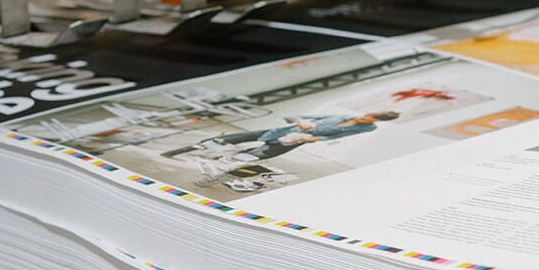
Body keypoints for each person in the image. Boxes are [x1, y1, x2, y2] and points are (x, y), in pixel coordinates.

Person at [162, 111, 401, 163]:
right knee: (233, 138)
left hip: (295, 140)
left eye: (369, 120)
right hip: (285, 131)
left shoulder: (368, 129)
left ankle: (217, 165)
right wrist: (302, 123)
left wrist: (308, 139)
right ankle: (181, 151)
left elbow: (333, 139)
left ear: (376, 121)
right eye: (365, 116)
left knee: (256, 155)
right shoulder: (342, 115)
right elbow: (295, 116)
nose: (363, 119)